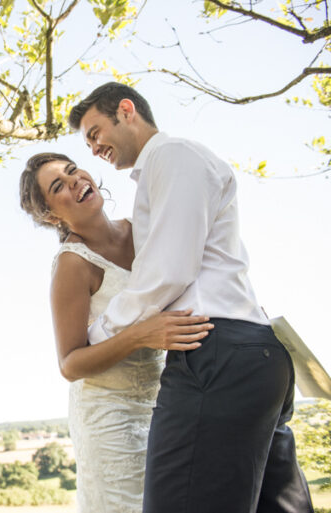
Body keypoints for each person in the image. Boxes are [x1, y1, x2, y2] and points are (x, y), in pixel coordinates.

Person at [67, 82, 314, 513]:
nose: (93, 149)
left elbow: (167, 272)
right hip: (250, 356)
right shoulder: (165, 167)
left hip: (215, 356)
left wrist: (100, 333)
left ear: (126, 110)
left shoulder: (173, 156)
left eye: (94, 133)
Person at [19, 152, 213, 513]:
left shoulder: (142, 230)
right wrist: (142, 335)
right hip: (108, 417)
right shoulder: (72, 264)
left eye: (73, 170)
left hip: (165, 404)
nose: (75, 181)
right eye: (59, 186)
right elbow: (70, 364)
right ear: (50, 214)